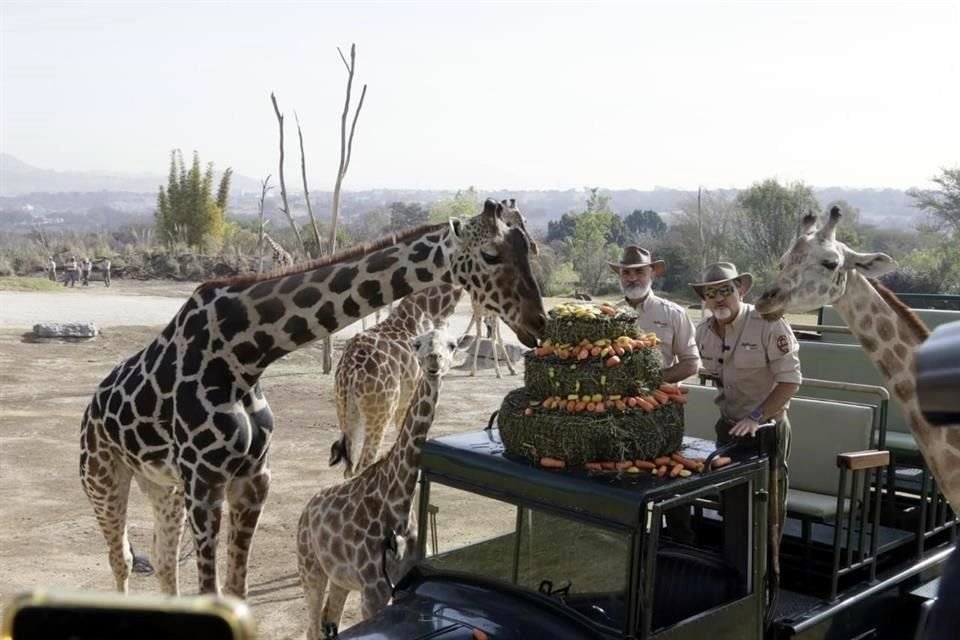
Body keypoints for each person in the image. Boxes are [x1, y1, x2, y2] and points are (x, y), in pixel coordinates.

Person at [692, 262, 801, 540]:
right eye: (710, 293)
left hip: (766, 431)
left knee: (767, 514)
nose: (718, 298)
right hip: (728, 430)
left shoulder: (768, 323)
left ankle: (766, 577)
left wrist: (755, 416)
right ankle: (735, 573)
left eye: (725, 290)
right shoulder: (703, 332)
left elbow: (790, 381)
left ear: (740, 290)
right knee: (730, 507)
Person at [609, 246, 700, 383]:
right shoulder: (609, 316)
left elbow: (691, 364)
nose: (632, 278)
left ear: (652, 275)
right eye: (626, 273)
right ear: (620, 276)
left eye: (639, 272)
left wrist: (654, 380)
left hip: (658, 400)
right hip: (616, 400)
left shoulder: (673, 314)